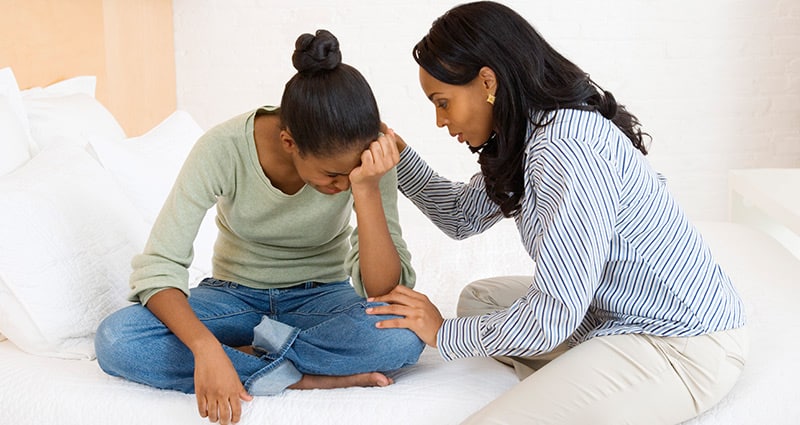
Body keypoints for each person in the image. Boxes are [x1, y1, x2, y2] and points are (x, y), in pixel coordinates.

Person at [366, 2, 748, 424]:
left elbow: (554, 314)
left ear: (487, 82)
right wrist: (398, 155)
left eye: (443, 102)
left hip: (679, 343)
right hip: (604, 314)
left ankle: (604, 383)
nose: (440, 120)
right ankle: (592, 375)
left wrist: (442, 332)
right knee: (479, 300)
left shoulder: (564, 149)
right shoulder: (530, 132)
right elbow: (461, 215)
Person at [95, 30, 424, 425]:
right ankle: (301, 378)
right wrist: (205, 348)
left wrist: (367, 188)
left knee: (404, 335)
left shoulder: (371, 159)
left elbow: (385, 291)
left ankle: (252, 361)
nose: (343, 185)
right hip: (232, 300)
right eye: (332, 175)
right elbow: (160, 266)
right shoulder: (223, 148)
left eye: (351, 175)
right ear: (289, 142)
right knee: (117, 339)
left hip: (320, 299)